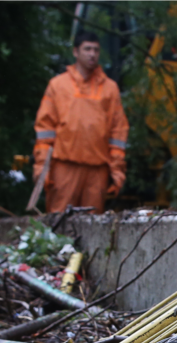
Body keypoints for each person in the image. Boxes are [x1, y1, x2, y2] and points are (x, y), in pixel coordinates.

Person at [33, 31, 129, 214]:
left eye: (96, 50)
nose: (92, 54)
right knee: (59, 221)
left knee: (93, 225)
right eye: (87, 49)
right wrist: (42, 167)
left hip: (97, 170)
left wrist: (116, 170)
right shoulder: (58, 85)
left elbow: (118, 132)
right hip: (64, 167)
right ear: (76, 52)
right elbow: (45, 129)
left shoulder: (110, 89)